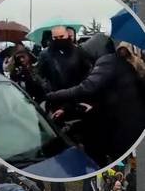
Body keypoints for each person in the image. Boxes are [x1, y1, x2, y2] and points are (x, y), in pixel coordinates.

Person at [46, 36, 145, 166]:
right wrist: (66, 109)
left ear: (96, 50)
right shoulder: (118, 63)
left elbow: (86, 88)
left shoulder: (107, 62)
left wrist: (53, 95)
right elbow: (101, 93)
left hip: (124, 126)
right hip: (126, 121)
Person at [38, 25, 91, 119]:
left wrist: (70, 104)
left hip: (77, 101)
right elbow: (42, 77)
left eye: (61, 37)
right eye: (55, 38)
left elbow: (86, 77)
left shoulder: (79, 52)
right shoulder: (45, 55)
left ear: (67, 35)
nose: (59, 40)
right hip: (54, 102)